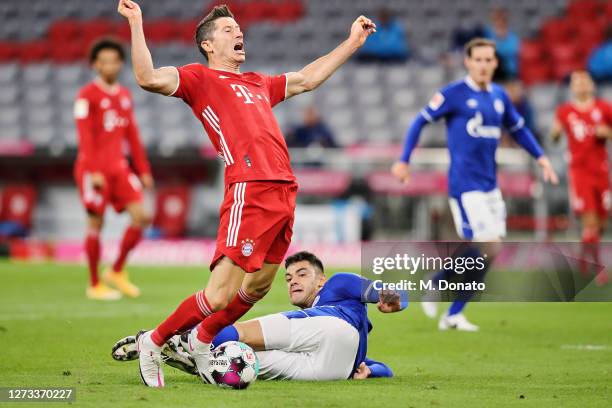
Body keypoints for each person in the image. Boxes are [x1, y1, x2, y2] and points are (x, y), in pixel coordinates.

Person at [117, 0, 376, 387]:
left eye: (238, 28)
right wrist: (137, 23)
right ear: (207, 45)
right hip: (249, 189)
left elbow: (306, 78)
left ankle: (203, 340)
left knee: (258, 286)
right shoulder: (198, 79)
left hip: (284, 191)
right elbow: (147, 77)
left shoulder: (257, 82)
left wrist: (351, 43)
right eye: (227, 30)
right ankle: (155, 341)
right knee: (219, 295)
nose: (238, 33)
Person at [391, 38, 558, 331]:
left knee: (490, 250)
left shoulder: (499, 96)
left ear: (495, 63)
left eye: (487, 60)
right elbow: (419, 122)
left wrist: (541, 158)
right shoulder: (453, 94)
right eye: (477, 59)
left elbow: (518, 129)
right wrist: (404, 160)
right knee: (488, 245)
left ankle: (450, 308)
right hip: (464, 186)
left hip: (490, 186)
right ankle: (439, 287)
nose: (482, 65)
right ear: (467, 62)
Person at [112, 251, 403, 380]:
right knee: (237, 359)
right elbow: (383, 368)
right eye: (288, 278)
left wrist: (393, 301)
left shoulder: (339, 284)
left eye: (302, 274)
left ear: (321, 281)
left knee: (240, 332)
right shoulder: (317, 317)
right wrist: (370, 371)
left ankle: (160, 338)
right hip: (332, 372)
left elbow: (387, 292)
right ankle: (183, 356)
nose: (293, 281)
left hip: (335, 330)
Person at [73, 38, 153, 301]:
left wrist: (142, 169)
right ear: (95, 64)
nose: (109, 65)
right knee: (96, 222)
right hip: (92, 169)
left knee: (141, 216)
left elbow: (133, 135)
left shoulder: (124, 96)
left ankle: (117, 270)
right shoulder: (86, 96)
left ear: (120, 63)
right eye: (103, 61)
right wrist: (94, 170)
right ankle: (94, 283)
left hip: (119, 168)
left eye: (114, 61)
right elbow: (84, 136)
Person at [550, 71, 612, 286]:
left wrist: (607, 132)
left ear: (592, 85)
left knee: (601, 224)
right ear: (572, 87)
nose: (582, 85)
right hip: (580, 173)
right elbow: (554, 134)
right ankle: (597, 268)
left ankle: (584, 255)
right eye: (578, 82)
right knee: (591, 223)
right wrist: (556, 133)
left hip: (602, 173)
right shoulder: (565, 111)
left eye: (586, 81)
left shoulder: (604, 108)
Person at [483, 8, 519, 80]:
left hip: (509, 73)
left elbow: (512, 52)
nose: (499, 23)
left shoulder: (513, 38)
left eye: (502, 20)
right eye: (496, 20)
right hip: (493, 73)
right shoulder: (488, 35)